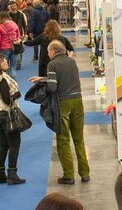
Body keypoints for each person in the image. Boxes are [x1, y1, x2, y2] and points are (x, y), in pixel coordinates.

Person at [31, 41, 87, 185]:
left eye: (49, 52)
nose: (48, 54)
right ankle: (84, 173)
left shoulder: (52, 65)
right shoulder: (71, 61)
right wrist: (44, 78)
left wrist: (42, 83)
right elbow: (63, 79)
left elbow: (53, 87)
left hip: (63, 103)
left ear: (54, 51)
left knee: (63, 139)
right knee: (79, 139)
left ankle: (69, 175)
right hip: (78, 101)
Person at [0, 53, 26, 185]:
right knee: (14, 144)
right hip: (7, 114)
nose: (6, 62)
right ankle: (12, 173)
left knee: (2, 144)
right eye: (4, 61)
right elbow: (7, 99)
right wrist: (16, 94)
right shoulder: (2, 79)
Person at [8, 4, 29, 74]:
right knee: (11, 48)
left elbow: (24, 24)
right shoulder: (8, 15)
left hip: (19, 34)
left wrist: (25, 33)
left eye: (14, 6)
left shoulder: (21, 14)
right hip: (9, 34)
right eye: (12, 6)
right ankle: (13, 62)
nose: (13, 7)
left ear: (17, 6)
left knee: (19, 48)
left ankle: (19, 63)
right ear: (10, 7)